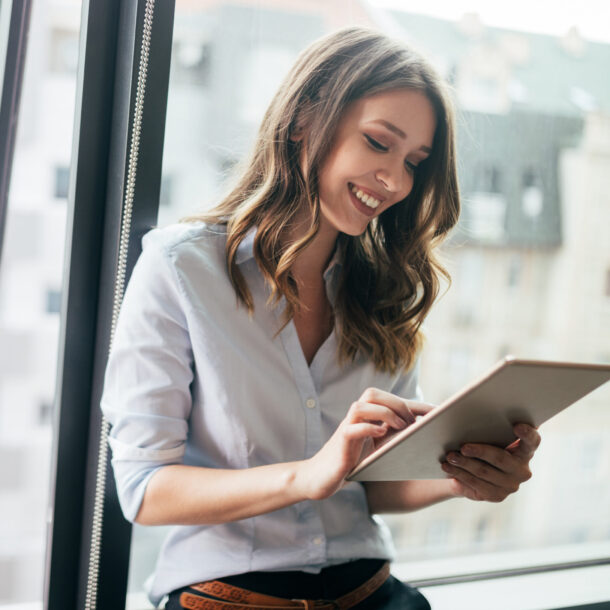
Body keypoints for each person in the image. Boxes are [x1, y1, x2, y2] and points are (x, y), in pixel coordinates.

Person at [101, 26, 541, 609]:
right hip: (228, 593)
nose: (396, 181)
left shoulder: (383, 289)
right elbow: (144, 489)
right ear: (306, 119)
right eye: (379, 143)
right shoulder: (181, 268)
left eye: (414, 162)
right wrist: (308, 473)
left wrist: (464, 478)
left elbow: (372, 485)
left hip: (374, 591)